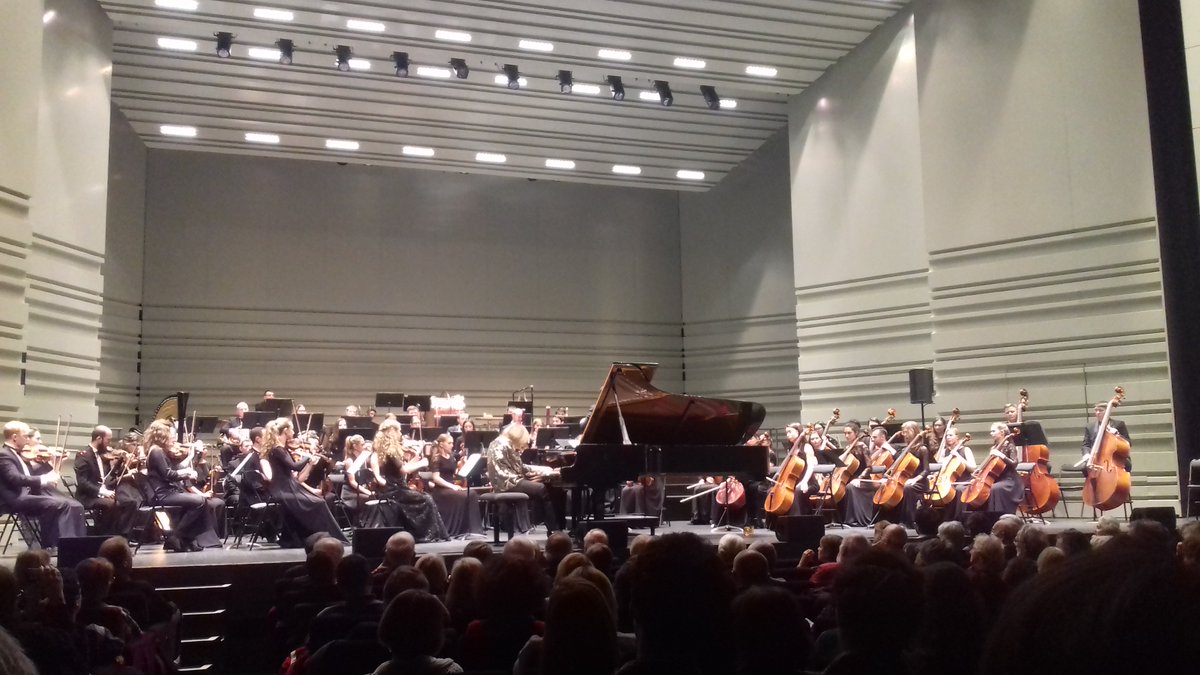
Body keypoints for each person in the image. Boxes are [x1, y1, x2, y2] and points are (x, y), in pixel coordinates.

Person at [260, 418, 347, 546]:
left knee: (319, 501)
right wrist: (307, 457)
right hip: (283, 489)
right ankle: (327, 537)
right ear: (285, 431)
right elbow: (294, 466)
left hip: (288, 487)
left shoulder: (280, 448)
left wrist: (309, 462)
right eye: (292, 429)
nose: (294, 431)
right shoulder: (278, 449)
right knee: (318, 503)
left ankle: (311, 536)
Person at [0, 420, 85, 549]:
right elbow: (14, 478)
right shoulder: (4, 454)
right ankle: (52, 545)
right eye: (25, 436)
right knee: (57, 504)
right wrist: (43, 479)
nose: (27, 440)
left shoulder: (16, 454)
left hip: (27, 495)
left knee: (65, 504)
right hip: (16, 499)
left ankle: (72, 544)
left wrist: (51, 464)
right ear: (15, 437)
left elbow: (30, 473)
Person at [143, 420, 223, 551]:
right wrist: (186, 473)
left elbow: (172, 469)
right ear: (162, 435)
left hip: (169, 492)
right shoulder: (156, 451)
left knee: (200, 502)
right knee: (200, 502)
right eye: (170, 435)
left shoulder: (158, 451)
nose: (173, 438)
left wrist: (191, 458)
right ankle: (176, 536)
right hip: (163, 494)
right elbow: (168, 474)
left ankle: (187, 540)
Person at [368, 419, 448, 541]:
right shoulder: (391, 451)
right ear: (391, 432)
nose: (400, 433)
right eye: (398, 430)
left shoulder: (382, 450)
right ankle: (426, 535)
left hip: (392, 489)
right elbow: (403, 470)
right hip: (395, 490)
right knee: (427, 499)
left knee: (423, 497)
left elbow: (400, 469)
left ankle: (419, 533)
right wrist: (422, 462)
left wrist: (415, 460)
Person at [486, 422, 561, 532]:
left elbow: (518, 467)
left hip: (501, 482)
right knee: (542, 489)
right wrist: (543, 470)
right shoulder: (506, 444)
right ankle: (553, 529)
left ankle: (543, 522)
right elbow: (520, 467)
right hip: (509, 483)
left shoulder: (496, 442)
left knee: (540, 488)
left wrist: (540, 469)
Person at [73, 425, 140, 536]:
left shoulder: (101, 455)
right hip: (88, 496)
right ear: (99, 439)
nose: (109, 444)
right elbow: (83, 482)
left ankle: (123, 535)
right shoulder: (83, 456)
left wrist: (120, 462)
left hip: (103, 492)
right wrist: (102, 491)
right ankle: (106, 535)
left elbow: (109, 476)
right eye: (108, 440)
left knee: (131, 503)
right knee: (112, 504)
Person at [425, 434, 481, 536]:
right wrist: (452, 486)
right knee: (464, 495)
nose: (452, 445)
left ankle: (472, 529)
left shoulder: (451, 457)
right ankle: (459, 529)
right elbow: (436, 478)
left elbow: (454, 473)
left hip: (451, 486)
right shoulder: (436, 459)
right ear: (441, 445)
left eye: (452, 443)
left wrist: (464, 465)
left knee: (472, 493)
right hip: (441, 490)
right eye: (449, 443)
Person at [964, 422, 1024, 515]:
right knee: (979, 490)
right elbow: (990, 466)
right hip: (997, 479)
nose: (991, 433)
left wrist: (1001, 455)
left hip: (1010, 480)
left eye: (993, 431)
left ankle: (997, 517)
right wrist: (979, 470)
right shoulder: (994, 448)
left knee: (994, 489)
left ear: (1002, 432)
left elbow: (1014, 464)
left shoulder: (1010, 446)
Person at [1081, 400, 1132, 471]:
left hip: (1115, 459)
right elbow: (1086, 445)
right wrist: (1086, 454)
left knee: (1125, 465)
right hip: (1097, 459)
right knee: (1085, 468)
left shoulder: (1119, 424)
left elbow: (1128, 443)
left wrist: (1117, 434)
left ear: (1108, 411)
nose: (1097, 413)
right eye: (1096, 410)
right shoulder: (1090, 427)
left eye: (1100, 410)